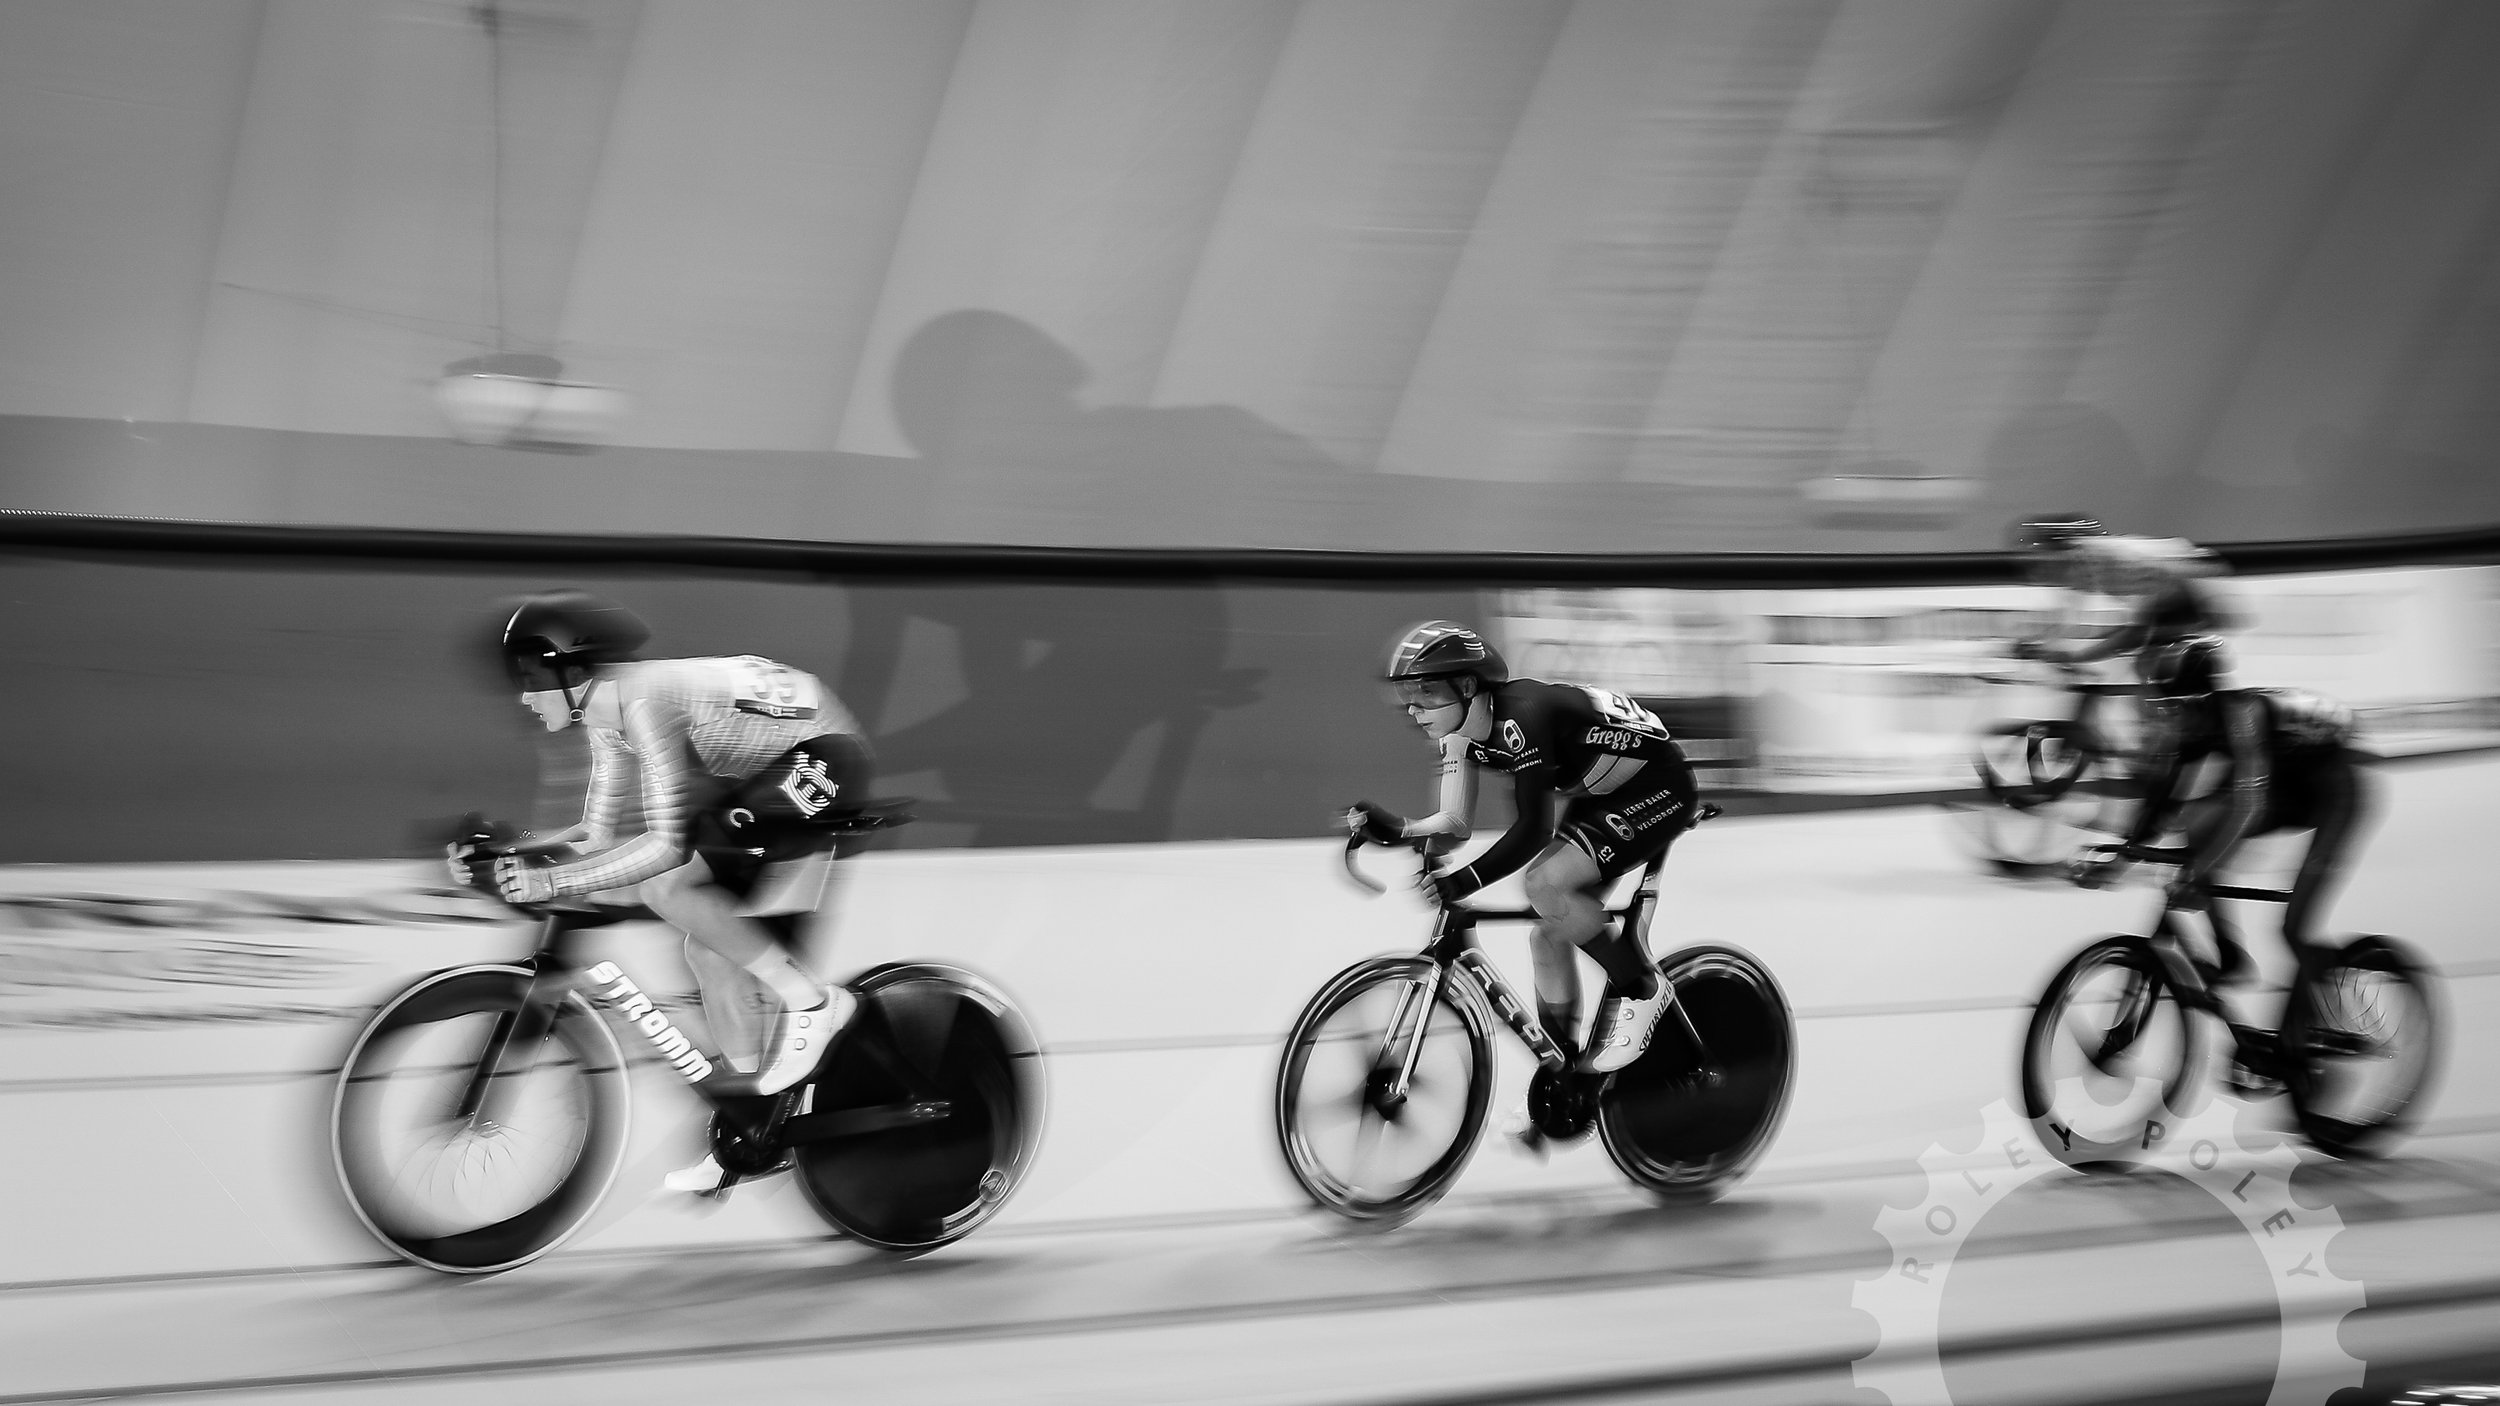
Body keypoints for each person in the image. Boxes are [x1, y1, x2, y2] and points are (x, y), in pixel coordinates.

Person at [465, 591, 868, 1191]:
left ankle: (813, 1004)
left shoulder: (646, 704)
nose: (524, 696)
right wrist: (512, 853)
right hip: (775, 763)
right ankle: (754, 1122)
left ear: (574, 672)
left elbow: (663, 848)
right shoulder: (605, 715)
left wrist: (548, 880)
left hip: (824, 754)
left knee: (667, 885)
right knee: (709, 949)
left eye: (531, 678)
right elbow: (597, 835)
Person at [1345, 622, 1700, 1092]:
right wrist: (1400, 830)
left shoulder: (1523, 714)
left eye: (1427, 693)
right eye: (1408, 696)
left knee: (1544, 884)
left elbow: (1534, 829)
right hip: (1600, 791)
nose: (1414, 709)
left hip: (1659, 784)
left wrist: (1464, 881)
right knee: (1548, 935)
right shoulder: (1457, 735)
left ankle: (1642, 988)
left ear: (1467, 686)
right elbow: (1455, 822)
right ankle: (1566, 1078)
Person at [2069, 635, 2371, 1076]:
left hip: (2337, 789)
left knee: (2294, 929)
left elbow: (2249, 807)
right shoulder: (2191, 722)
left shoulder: (2243, 715)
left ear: (2203, 700)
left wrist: (2199, 870)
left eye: (2177, 706)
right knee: (2194, 823)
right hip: (2288, 785)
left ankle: (2328, 1020)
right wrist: (2122, 856)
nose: (2170, 717)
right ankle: (2229, 954)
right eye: (2164, 707)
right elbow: (2163, 804)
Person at [2009, 512, 2234, 680]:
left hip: (2199, 590)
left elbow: (2133, 635)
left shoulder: (2112, 563)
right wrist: (2037, 645)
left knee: (2150, 666)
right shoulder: (2081, 562)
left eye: (2042, 562)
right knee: (2138, 660)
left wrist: (2072, 657)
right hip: (2180, 587)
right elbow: (2064, 619)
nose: (2039, 571)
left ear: (2067, 552)